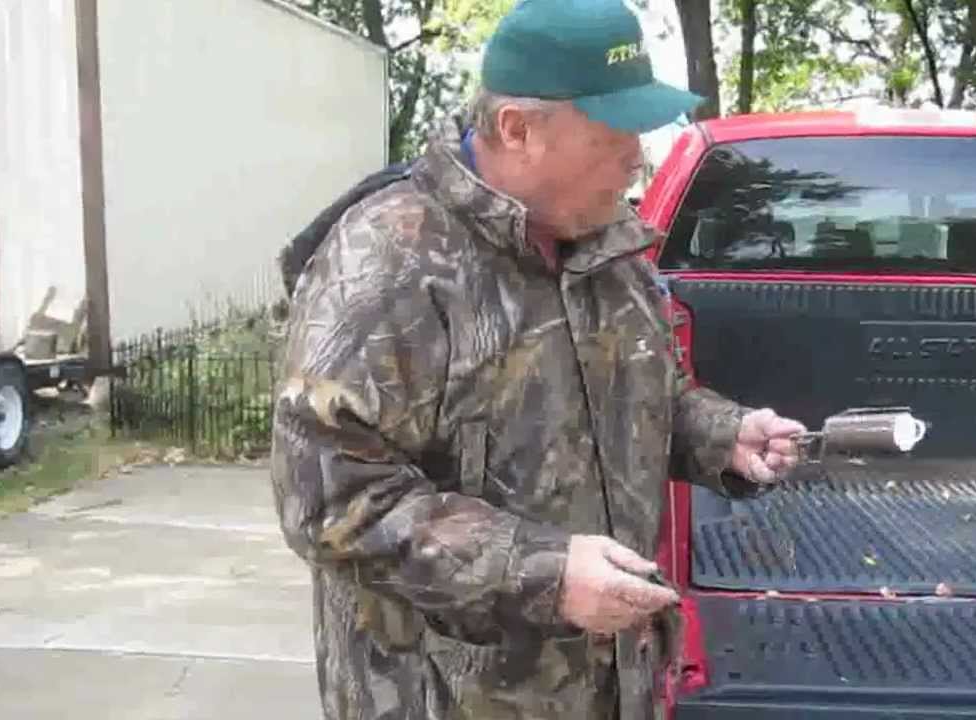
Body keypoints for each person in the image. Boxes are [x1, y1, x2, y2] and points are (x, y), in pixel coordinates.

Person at [270, 0, 806, 717]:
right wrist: (545, 573)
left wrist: (721, 435)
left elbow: (651, 393)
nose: (636, 158)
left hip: (611, 690)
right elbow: (330, 498)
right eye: (612, 135)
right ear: (516, 129)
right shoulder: (389, 261)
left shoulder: (608, 247)